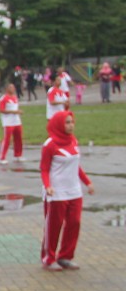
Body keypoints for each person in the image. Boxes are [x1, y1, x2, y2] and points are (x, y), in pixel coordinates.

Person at [40, 111, 95, 271]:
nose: (71, 125)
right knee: (54, 226)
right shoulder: (49, 144)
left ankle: (65, 256)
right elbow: (44, 169)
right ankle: (49, 258)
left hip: (74, 191)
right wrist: (48, 185)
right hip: (56, 192)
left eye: (72, 122)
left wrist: (87, 182)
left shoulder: (73, 141)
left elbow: (75, 166)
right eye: (67, 122)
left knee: (74, 223)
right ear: (59, 124)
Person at [0, 83, 24, 165]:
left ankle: (18, 155)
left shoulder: (15, 97)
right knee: (7, 139)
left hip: (16, 121)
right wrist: (14, 112)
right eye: (10, 87)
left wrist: (17, 112)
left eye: (13, 87)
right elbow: (1, 110)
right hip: (8, 122)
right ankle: (2, 157)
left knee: (18, 138)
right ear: (7, 89)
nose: (13, 89)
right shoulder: (4, 98)